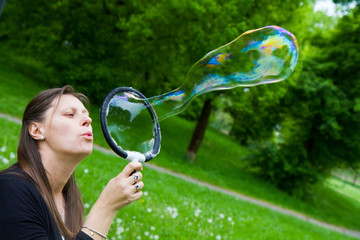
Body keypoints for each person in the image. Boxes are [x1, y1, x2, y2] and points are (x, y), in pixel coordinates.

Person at [0, 86, 144, 240]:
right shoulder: (10, 189)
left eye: (87, 116)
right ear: (37, 131)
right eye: (70, 114)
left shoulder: (68, 200)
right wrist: (106, 208)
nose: (88, 120)